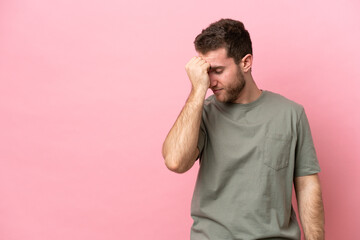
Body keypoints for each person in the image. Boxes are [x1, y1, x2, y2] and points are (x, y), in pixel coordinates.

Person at [162, 18, 324, 240]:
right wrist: (197, 91)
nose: (210, 81)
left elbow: (307, 185)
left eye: (217, 70)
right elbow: (175, 162)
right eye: (205, 72)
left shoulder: (291, 113)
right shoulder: (202, 112)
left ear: (246, 63)